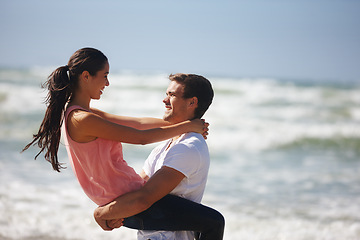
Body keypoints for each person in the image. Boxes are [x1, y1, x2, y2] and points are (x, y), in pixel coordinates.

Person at [22, 48, 224, 239]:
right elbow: (140, 137)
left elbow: (138, 124)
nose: (107, 83)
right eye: (105, 75)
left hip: (120, 198)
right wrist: (187, 127)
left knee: (211, 222)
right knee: (215, 222)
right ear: (86, 76)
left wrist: (187, 124)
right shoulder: (83, 119)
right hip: (128, 200)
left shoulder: (81, 114)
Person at [94, 73, 225, 240]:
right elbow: (135, 190)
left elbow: (143, 198)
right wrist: (116, 214)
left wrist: (102, 213)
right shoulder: (163, 147)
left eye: (172, 95)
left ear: (192, 102)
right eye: (166, 94)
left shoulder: (189, 146)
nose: (165, 100)